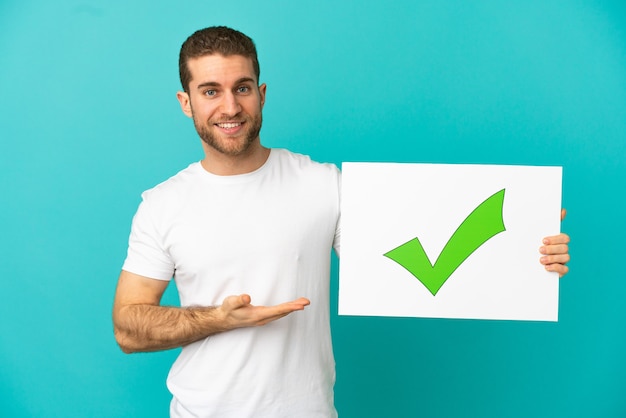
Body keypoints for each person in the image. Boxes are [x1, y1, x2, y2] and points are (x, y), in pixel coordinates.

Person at [112, 26, 571, 418]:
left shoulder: (321, 183)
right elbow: (128, 327)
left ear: (261, 93)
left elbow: (421, 262)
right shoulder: (162, 204)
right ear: (185, 102)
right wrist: (218, 318)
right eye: (210, 91)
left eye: (243, 87)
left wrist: (527, 245)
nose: (230, 107)